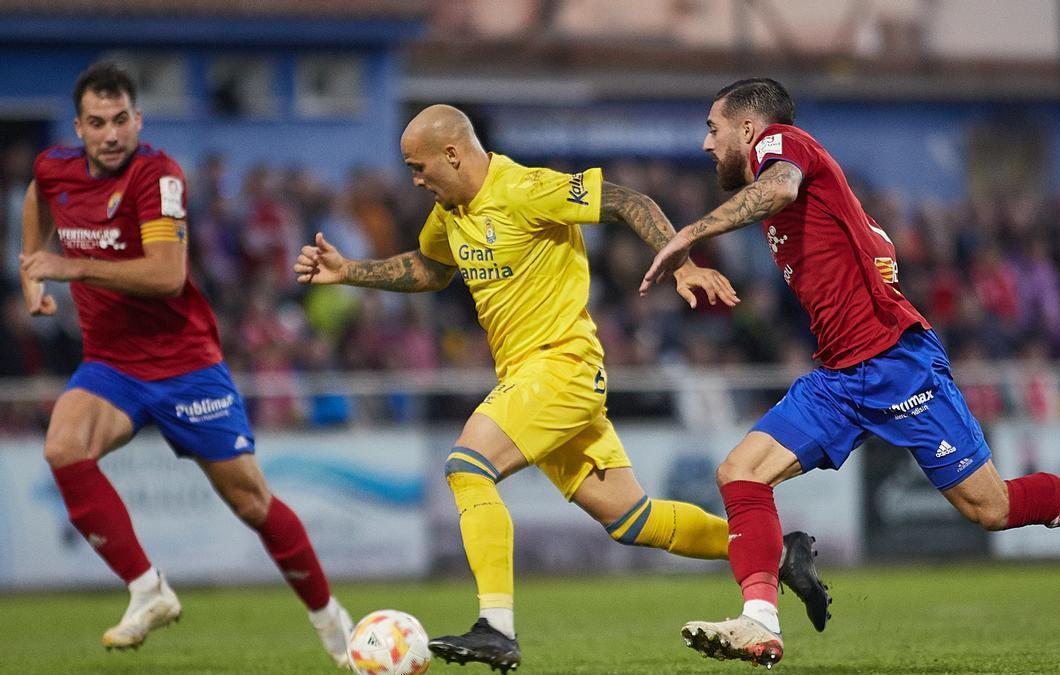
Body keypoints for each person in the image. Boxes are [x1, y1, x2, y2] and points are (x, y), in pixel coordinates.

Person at [641, 78, 1060, 669]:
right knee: (739, 471)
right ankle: (760, 623)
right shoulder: (816, 185)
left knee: (990, 509)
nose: (705, 144)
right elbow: (875, 243)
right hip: (840, 377)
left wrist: (691, 233)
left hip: (896, 364)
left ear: (747, 128)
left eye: (712, 129)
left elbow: (780, 185)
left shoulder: (780, 144)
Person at [294, 104, 830, 673]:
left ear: (453, 153)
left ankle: (495, 628)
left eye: (419, 167)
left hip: (559, 368)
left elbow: (630, 201)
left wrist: (681, 265)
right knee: (633, 520)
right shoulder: (448, 214)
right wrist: (349, 270)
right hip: (533, 380)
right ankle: (776, 552)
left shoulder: (526, 189)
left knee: (466, 467)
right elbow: (433, 268)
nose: (415, 180)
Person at [18, 62, 353, 667]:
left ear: (137, 119)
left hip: (185, 365)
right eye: (98, 123)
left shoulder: (159, 174)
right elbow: (38, 194)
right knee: (63, 448)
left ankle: (331, 620)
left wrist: (70, 268)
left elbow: (167, 276)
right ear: (79, 128)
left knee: (252, 503)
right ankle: (148, 589)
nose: (112, 134)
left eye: (122, 120)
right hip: (112, 365)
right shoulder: (55, 167)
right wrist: (28, 266)